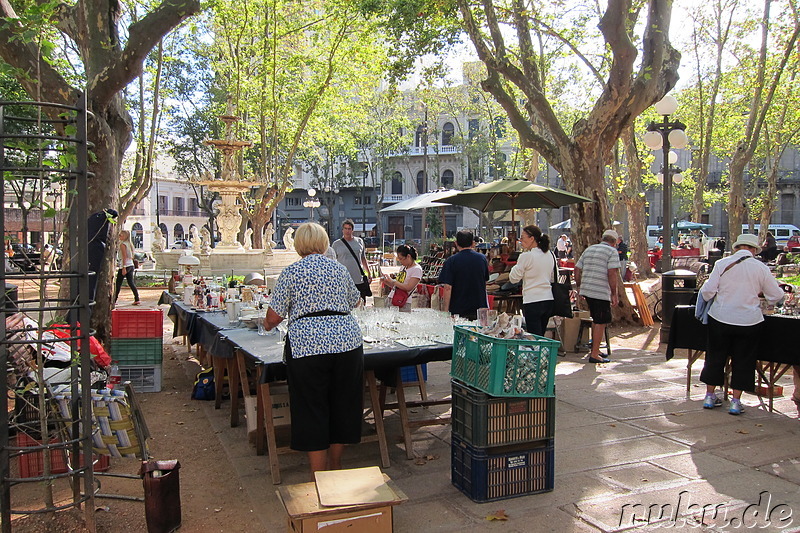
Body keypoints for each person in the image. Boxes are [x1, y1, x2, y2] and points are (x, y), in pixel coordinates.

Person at [262, 222, 363, 476]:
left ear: (298, 245)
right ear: (323, 242)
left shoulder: (291, 272)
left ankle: (319, 474)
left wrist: (266, 322)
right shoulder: (339, 269)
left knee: (312, 408)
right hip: (346, 342)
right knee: (342, 405)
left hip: (307, 345)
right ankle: (336, 466)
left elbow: (273, 319)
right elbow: (355, 301)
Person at [698, 233, 784, 415]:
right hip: (749, 320)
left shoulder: (721, 264)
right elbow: (776, 296)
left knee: (715, 357)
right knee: (744, 360)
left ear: (737, 247)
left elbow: (707, 292)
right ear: (753, 250)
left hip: (720, 317)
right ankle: (736, 401)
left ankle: (709, 396)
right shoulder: (761, 268)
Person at [573, 229, 621, 364]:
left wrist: (579, 286)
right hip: (600, 291)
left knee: (596, 318)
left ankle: (596, 349)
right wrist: (614, 293)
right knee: (601, 321)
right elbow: (612, 273)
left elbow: (577, 269)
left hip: (587, 289)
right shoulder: (612, 252)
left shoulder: (589, 249)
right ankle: (594, 353)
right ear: (614, 242)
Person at [509, 225, 554, 336]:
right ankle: (543, 353)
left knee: (533, 336)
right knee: (541, 335)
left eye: (523, 237)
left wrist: (516, 265)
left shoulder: (526, 256)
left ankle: (536, 353)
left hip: (533, 300)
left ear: (532, 238)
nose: (521, 240)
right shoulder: (550, 254)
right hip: (548, 298)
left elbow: (513, 278)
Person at [438, 230, 489, 321]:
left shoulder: (451, 261)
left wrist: (445, 311)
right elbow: (484, 282)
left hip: (458, 307)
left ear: (456, 243)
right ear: (473, 243)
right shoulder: (482, 259)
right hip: (479, 307)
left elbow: (447, 287)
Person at [331, 219, 372, 300]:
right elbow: (332, 262)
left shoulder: (359, 241)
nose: (347, 231)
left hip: (358, 278)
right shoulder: (336, 244)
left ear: (352, 230)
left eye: (349, 229)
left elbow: (363, 258)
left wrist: (368, 272)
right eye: (345, 228)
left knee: (361, 302)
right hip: (343, 279)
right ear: (342, 230)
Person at [382, 244, 422, 308]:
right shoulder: (403, 267)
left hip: (404, 301)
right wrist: (386, 281)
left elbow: (408, 287)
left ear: (408, 256)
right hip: (393, 298)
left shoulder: (417, 269)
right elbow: (397, 286)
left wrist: (393, 281)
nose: (400, 261)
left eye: (401, 259)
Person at [113, 229, 140, 306]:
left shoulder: (123, 244)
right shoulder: (129, 244)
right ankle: (137, 298)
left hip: (125, 265)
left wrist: (124, 267)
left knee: (118, 284)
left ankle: (114, 300)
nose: (119, 237)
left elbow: (124, 256)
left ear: (124, 236)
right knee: (131, 283)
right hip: (130, 265)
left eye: (120, 235)